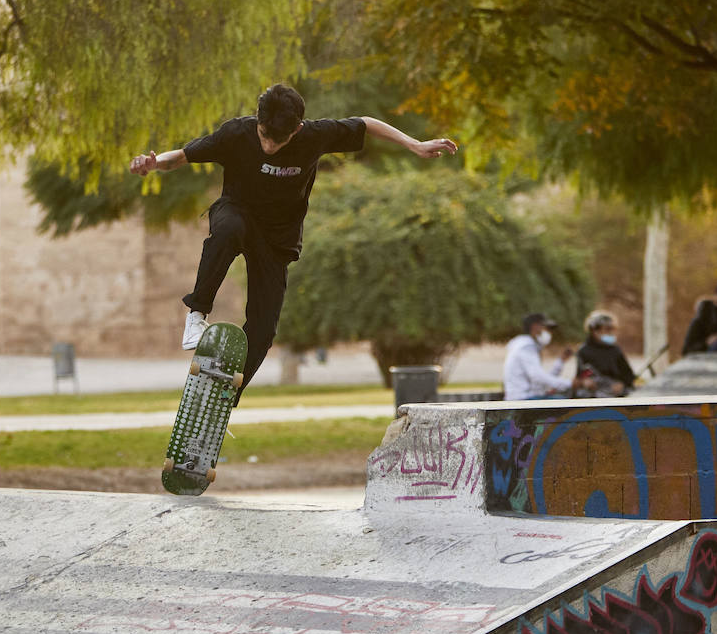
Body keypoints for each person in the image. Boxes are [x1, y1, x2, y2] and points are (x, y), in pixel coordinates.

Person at [130, 83, 457, 398]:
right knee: (228, 229)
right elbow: (184, 156)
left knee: (263, 329)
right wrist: (154, 163)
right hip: (238, 214)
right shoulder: (236, 133)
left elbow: (366, 123)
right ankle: (196, 314)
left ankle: (226, 394)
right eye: (264, 137)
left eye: (279, 141)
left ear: (297, 129)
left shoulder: (315, 135)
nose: (269, 146)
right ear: (257, 123)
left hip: (277, 240)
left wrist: (414, 144)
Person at [503, 313, 575, 401]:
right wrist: (570, 384)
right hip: (521, 399)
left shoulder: (527, 346)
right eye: (546, 328)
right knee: (565, 403)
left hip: (526, 396)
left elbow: (542, 380)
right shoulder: (526, 347)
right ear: (535, 326)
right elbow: (537, 377)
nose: (550, 333)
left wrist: (561, 361)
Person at [576, 311, 634, 397]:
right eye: (607, 329)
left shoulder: (615, 350)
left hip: (615, 391)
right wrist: (584, 382)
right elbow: (579, 377)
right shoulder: (583, 351)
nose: (611, 332)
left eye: (612, 329)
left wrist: (622, 384)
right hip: (594, 393)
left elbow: (628, 374)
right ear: (594, 331)